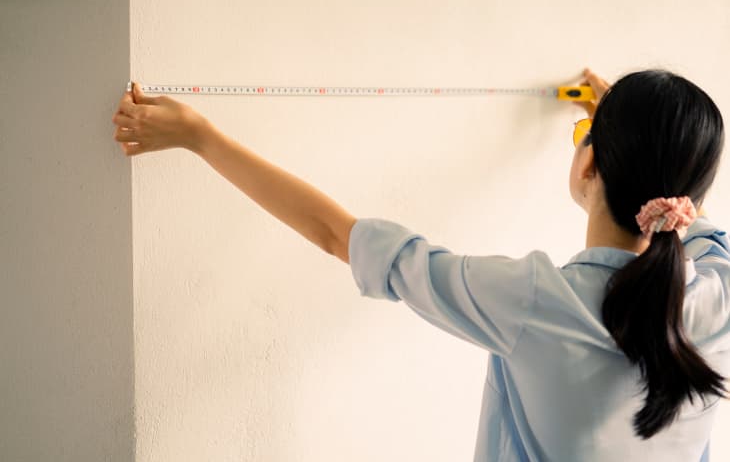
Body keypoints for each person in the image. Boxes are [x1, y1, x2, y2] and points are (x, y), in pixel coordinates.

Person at [112, 68, 730, 461]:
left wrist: (201, 137)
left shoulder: (531, 298)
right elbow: (696, 221)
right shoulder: (719, 296)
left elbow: (336, 234)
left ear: (589, 165)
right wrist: (626, 133)